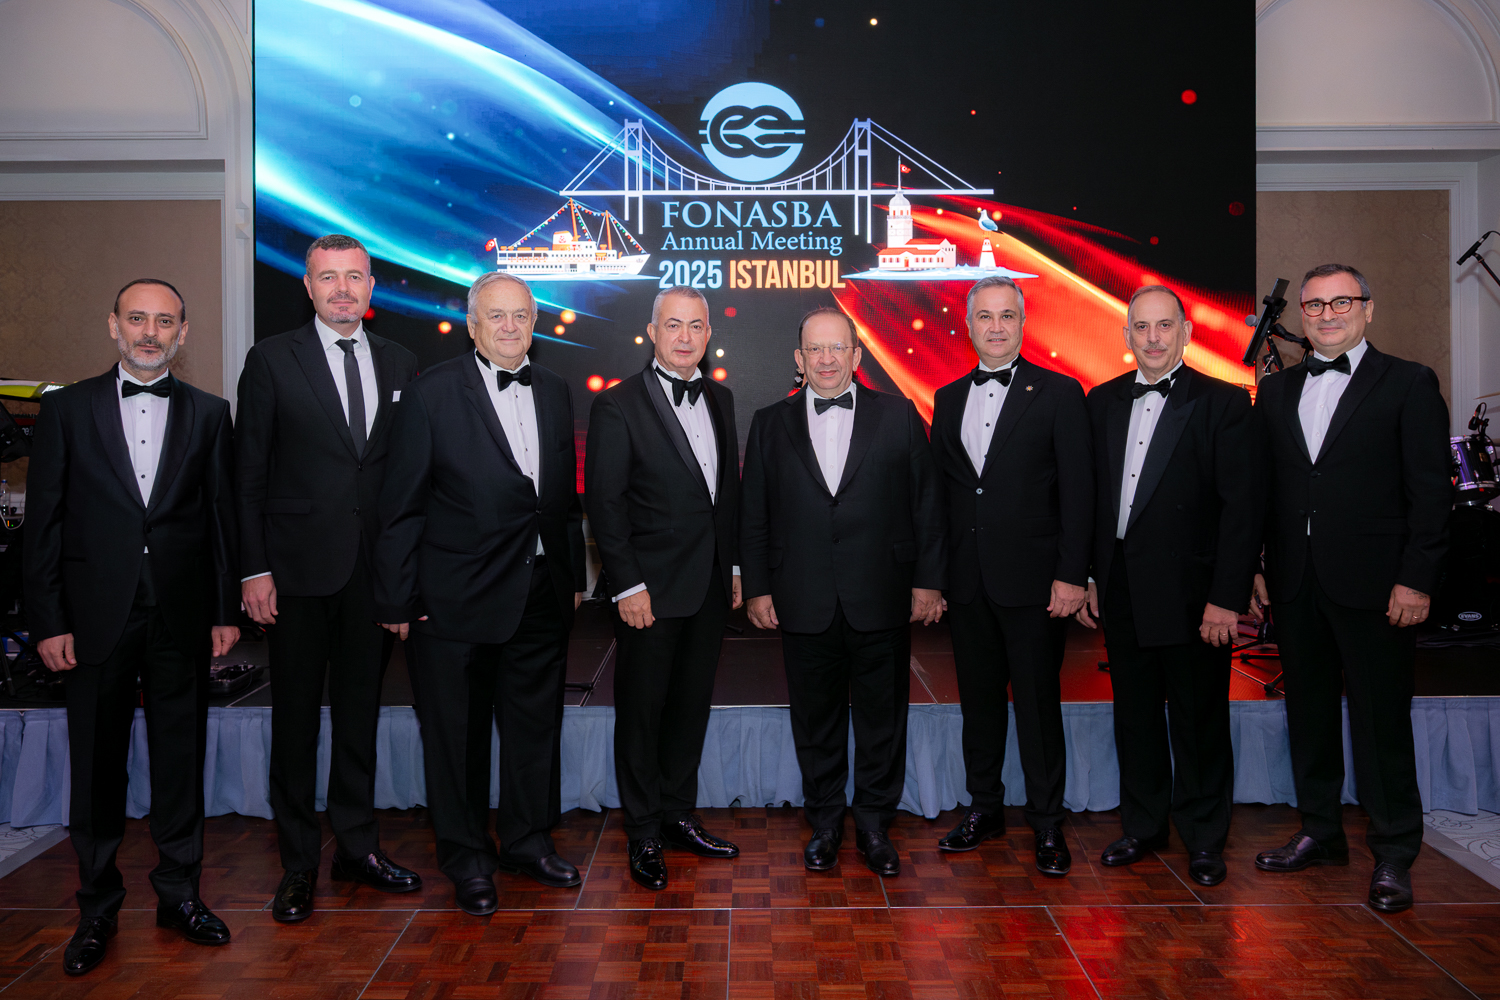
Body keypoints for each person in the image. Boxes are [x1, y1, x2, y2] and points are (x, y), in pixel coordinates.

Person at [24, 279, 240, 975]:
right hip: (92, 619)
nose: (151, 332)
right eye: (138, 319)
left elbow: (221, 521)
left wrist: (223, 612)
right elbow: (43, 524)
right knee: (96, 769)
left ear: (183, 333)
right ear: (114, 325)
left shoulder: (211, 413)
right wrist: (49, 619)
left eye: (165, 321)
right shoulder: (65, 409)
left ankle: (181, 896)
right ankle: (96, 909)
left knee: (181, 765)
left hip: (181, 617)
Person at [375, 271, 586, 914]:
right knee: (457, 737)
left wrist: (572, 578)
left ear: (535, 323)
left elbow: (558, 500)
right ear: (472, 326)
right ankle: (466, 857)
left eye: (521, 315)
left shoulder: (555, 389)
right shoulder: (431, 393)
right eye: (496, 316)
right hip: (454, 598)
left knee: (534, 728)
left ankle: (526, 842)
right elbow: (401, 505)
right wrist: (399, 599)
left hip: (540, 591)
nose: (510, 327)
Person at [1250, 264, 1449, 913]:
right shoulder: (1276, 392)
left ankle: (1394, 853)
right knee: (1307, 714)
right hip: (1295, 581)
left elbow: (1431, 493)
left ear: (1368, 308)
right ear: (1302, 316)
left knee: (1380, 721)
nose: (1327, 314)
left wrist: (1415, 578)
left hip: (1378, 585)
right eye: (1314, 305)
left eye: (1341, 302)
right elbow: (1265, 491)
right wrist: (1257, 566)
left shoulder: (1409, 382)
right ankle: (1321, 832)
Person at [235, 234, 422, 922]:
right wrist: (254, 568)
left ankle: (357, 848)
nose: (343, 289)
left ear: (372, 286)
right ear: (308, 287)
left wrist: (406, 576)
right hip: (293, 575)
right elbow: (247, 474)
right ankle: (297, 864)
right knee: (294, 724)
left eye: (354, 277)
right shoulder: (270, 359)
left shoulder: (402, 361)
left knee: (359, 718)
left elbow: (408, 480)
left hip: (373, 576)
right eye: (328, 277)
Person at [741, 306, 946, 877]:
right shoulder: (768, 422)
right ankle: (826, 822)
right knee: (816, 720)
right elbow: (753, 514)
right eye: (815, 349)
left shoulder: (900, 415)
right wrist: (757, 587)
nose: (826, 359)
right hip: (801, 597)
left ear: (856, 356)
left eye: (837, 348)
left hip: (882, 593)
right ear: (799, 359)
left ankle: (875, 823)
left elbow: (927, 505)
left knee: (883, 719)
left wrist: (928, 581)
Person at [1076, 285, 1262, 887]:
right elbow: (1092, 501)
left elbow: (1242, 511)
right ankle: (1144, 825)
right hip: (1122, 589)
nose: (1153, 338)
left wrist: (1226, 598)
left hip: (1194, 597)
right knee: (1134, 718)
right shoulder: (1101, 401)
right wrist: (1092, 575)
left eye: (1164, 326)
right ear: (1126, 335)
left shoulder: (1223, 402)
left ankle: (1204, 839)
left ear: (1186, 332)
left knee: (1198, 720)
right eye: (1141, 327)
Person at [928, 276, 1091, 875]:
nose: (995, 327)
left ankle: (1047, 823)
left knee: (1039, 706)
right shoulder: (947, 398)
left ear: (1023, 323)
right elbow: (945, 496)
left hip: (1036, 585)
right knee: (979, 705)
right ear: (968, 325)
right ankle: (985, 808)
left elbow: (1079, 492)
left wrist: (1072, 575)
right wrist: (936, 576)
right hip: (968, 583)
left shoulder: (1060, 393)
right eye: (985, 316)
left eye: (1006, 316)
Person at [584, 285, 742, 891]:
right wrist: (627, 585)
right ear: (652, 332)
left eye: (695, 326)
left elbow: (726, 496)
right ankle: (643, 831)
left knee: (689, 709)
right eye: (672, 325)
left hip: (708, 586)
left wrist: (732, 569)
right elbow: (606, 503)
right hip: (647, 592)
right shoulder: (617, 404)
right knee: (642, 714)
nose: (684, 336)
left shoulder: (722, 398)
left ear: (709, 334)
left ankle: (678, 814)